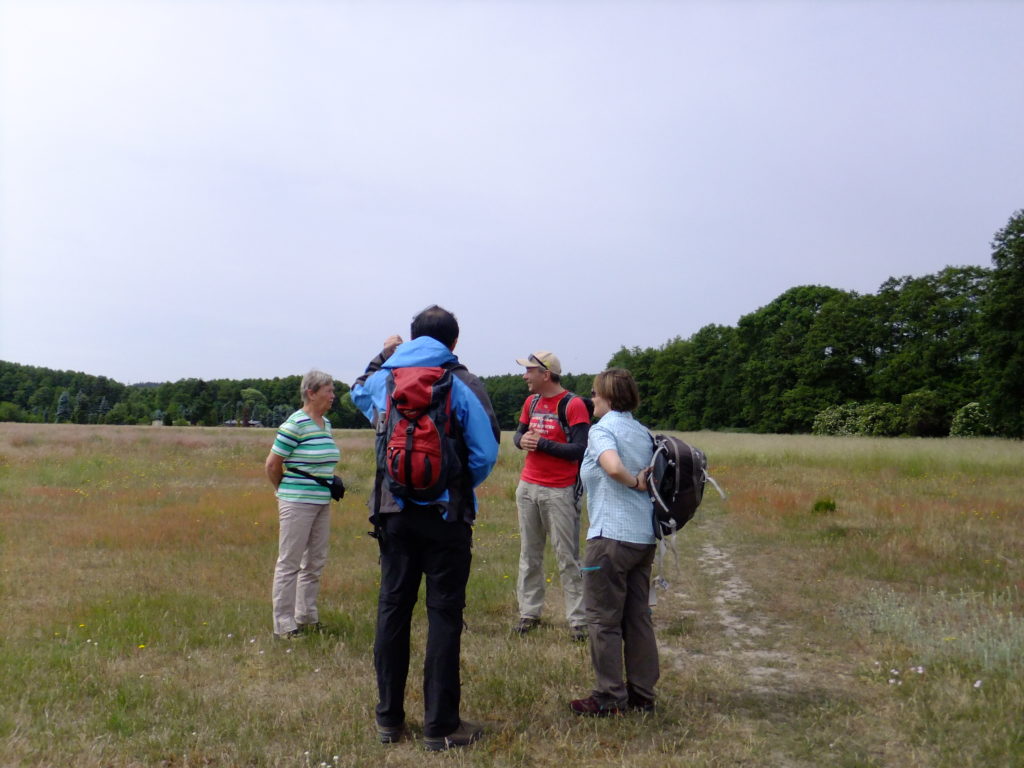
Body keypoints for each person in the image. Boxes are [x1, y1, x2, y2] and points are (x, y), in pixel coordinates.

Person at [350, 305, 500, 752]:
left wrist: (384, 355)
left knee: (392, 609)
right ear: (454, 342)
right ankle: (441, 726)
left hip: (393, 513)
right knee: (444, 616)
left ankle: (388, 721)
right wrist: (452, 485)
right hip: (446, 518)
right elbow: (485, 453)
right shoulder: (464, 383)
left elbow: (356, 393)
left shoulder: (384, 379)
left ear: (413, 337)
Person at [570, 368, 658, 716]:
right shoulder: (642, 432)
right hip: (642, 540)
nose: (591, 399)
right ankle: (642, 694)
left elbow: (611, 466)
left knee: (603, 620)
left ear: (607, 396)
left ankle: (609, 697)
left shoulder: (602, 430)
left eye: (594, 393)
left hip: (609, 539)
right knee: (638, 618)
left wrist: (632, 481)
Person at [511, 350, 591, 641]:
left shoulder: (574, 405)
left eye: (529, 370)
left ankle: (578, 620)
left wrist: (541, 444)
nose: (525, 376)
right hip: (528, 487)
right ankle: (529, 612)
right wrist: (523, 441)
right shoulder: (531, 402)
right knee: (529, 554)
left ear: (546, 374)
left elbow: (580, 449)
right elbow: (518, 436)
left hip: (560, 490)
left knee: (567, 557)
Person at [264, 370, 341, 639]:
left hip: (321, 502)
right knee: (290, 562)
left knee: (315, 561)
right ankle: (283, 625)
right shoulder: (294, 424)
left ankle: (306, 616)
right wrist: (283, 491)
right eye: (329, 390)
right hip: (296, 502)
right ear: (311, 392)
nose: (333, 396)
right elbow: (273, 464)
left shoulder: (325, 424)